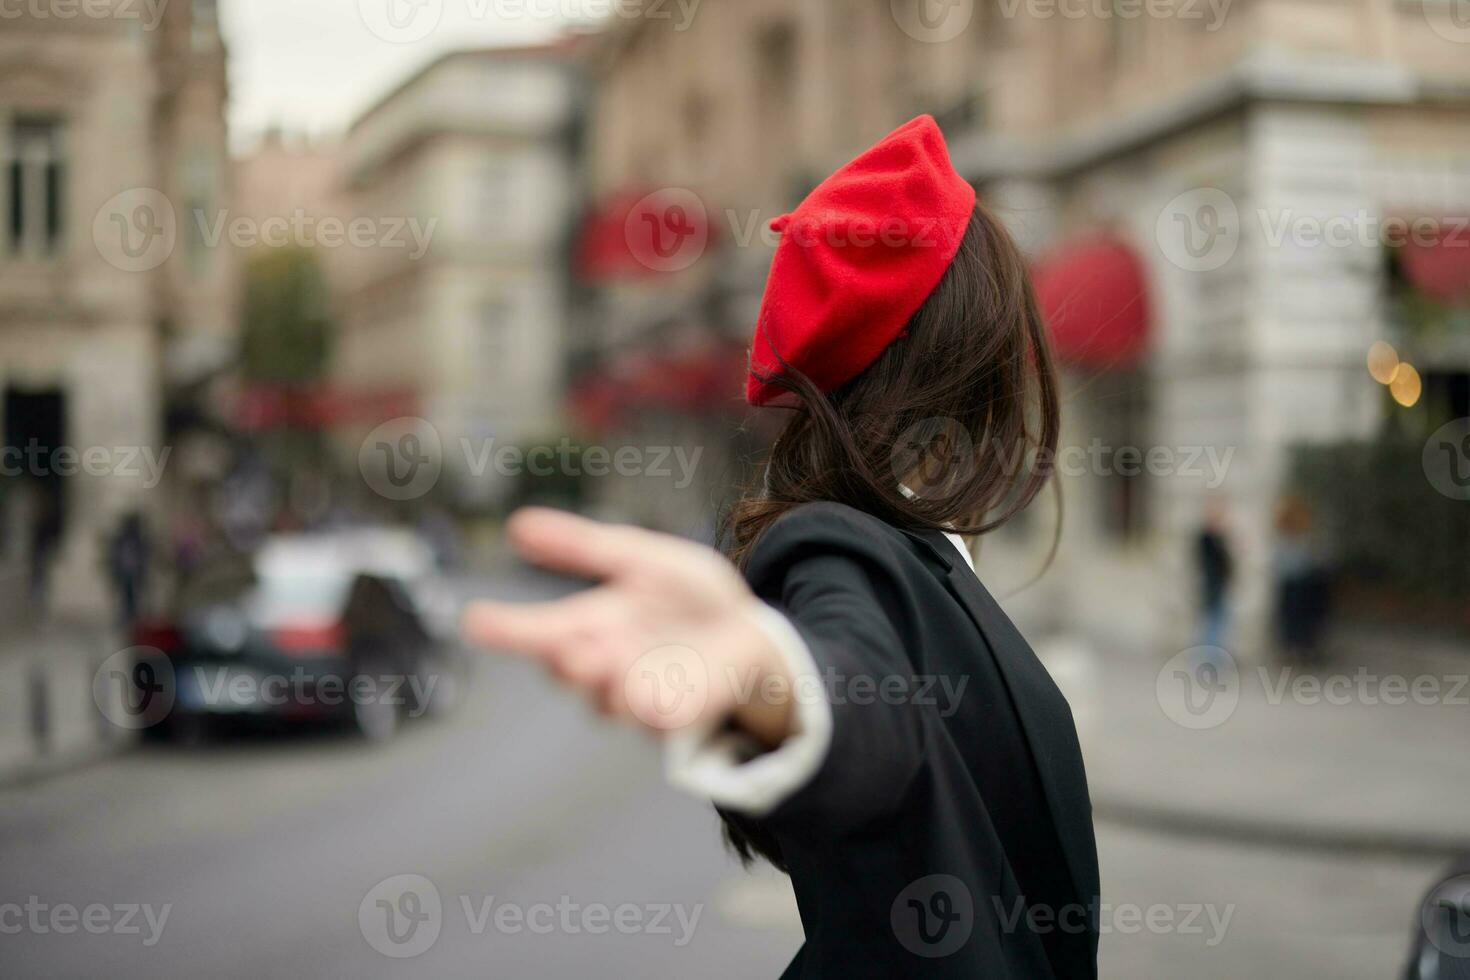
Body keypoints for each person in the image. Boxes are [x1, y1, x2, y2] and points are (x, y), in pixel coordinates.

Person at [464, 116, 1100, 978]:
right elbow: (857, 702)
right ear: (976, 351)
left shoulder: (918, 546)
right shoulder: (838, 547)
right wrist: (775, 686)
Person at [1195, 500, 1234, 650]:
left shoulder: (1217, 538)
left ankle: (1215, 655)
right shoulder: (1207, 539)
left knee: (1218, 621)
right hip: (1213, 586)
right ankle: (1209, 655)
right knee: (1212, 622)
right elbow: (1212, 563)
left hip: (1218, 585)